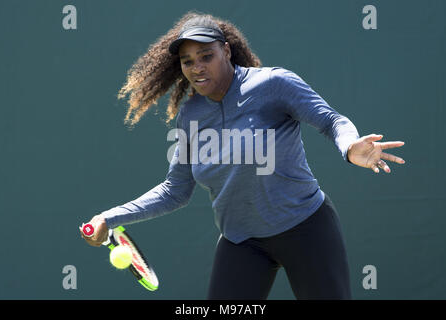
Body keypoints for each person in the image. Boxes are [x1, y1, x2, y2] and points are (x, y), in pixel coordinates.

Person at [80, 12, 405, 299]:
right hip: (242, 242)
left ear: (227, 50)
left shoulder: (274, 84)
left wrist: (350, 147)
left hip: (306, 228)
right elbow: (175, 190)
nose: (196, 67)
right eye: (187, 61)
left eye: (206, 55)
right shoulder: (190, 115)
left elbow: (330, 120)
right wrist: (111, 217)